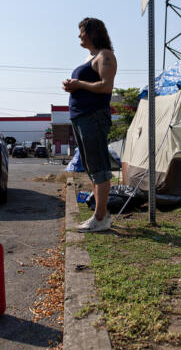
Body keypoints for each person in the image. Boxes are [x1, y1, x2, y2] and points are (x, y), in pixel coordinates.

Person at [63, 17, 117, 232]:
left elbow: (106, 86)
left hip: (93, 117)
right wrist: (72, 86)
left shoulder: (105, 56)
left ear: (93, 32)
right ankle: (100, 213)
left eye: (82, 31)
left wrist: (79, 84)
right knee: (91, 168)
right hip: (81, 117)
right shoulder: (91, 57)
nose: (79, 35)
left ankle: (100, 217)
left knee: (99, 167)